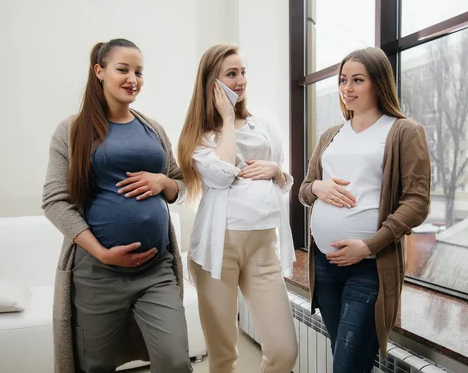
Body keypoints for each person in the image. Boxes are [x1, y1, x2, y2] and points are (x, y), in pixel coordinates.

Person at [42, 38, 192, 373]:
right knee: (94, 365)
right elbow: (54, 201)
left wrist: (164, 183)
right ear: (99, 71)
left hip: (156, 271)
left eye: (139, 71)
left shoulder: (152, 129)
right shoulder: (71, 130)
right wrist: (102, 252)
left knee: (175, 361)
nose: (133, 79)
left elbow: (181, 182)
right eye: (123, 69)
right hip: (97, 274)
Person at [299, 47, 431, 373]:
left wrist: (367, 246)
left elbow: (417, 202)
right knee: (345, 359)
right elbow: (303, 189)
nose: (347, 88)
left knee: (347, 366)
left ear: (378, 83)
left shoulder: (402, 131)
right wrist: (318, 188)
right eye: (343, 80)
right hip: (325, 266)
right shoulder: (331, 136)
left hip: (369, 268)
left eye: (358, 80)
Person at [178, 44, 298, 373]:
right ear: (211, 83)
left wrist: (277, 171)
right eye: (231, 74)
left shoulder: (265, 127)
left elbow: (280, 177)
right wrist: (228, 119)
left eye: (243, 71)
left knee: (284, 351)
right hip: (218, 251)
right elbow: (221, 173)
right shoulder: (200, 136)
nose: (241, 80)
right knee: (223, 357)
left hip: (262, 247)